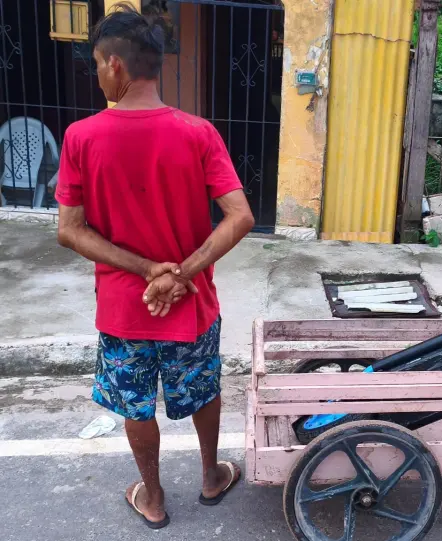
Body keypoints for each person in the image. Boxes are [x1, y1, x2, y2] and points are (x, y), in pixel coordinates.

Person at [56, 4, 255, 529]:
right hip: (191, 305)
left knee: (136, 402)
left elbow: (69, 230)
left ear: (116, 66)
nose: (99, 74)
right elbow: (240, 217)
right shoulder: (198, 133)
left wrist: (147, 270)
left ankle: (155, 498)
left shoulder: (82, 138)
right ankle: (212, 476)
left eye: (99, 64)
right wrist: (180, 272)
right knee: (203, 389)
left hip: (125, 310)